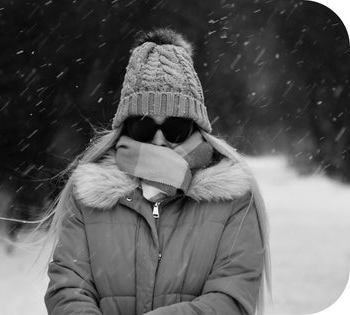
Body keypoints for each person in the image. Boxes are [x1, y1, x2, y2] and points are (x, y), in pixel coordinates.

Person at [41, 28, 271, 315]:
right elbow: (68, 290)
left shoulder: (233, 197)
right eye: (145, 126)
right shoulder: (88, 194)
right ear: (126, 126)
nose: (159, 140)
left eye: (175, 127)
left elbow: (232, 299)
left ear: (196, 127)